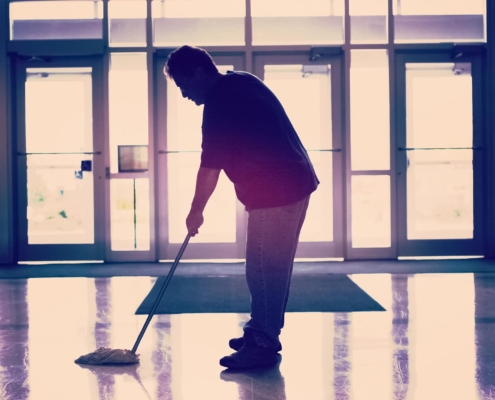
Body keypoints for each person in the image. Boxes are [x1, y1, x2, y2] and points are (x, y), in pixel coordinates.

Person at [164, 45, 319, 370]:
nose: (183, 94)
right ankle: (260, 331)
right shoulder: (241, 81)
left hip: (278, 191)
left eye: (183, 85)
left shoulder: (220, 103)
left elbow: (210, 168)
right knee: (271, 268)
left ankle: (262, 343)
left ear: (198, 74)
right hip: (292, 183)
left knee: (264, 269)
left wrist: (196, 211)